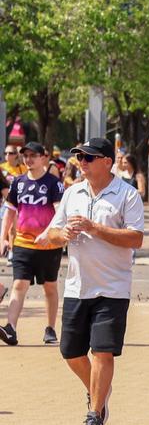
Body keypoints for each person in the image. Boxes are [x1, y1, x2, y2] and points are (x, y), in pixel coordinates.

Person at [37, 137, 144, 425]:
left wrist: (95, 228)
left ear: (107, 162)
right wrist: (64, 234)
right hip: (77, 287)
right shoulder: (73, 193)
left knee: (102, 352)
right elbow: (53, 235)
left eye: (88, 157)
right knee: (70, 351)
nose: (81, 163)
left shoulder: (127, 194)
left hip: (112, 288)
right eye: (79, 158)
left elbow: (136, 238)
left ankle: (94, 413)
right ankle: (98, 392)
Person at [0, 142, 64, 346]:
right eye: (25, 156)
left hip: (49, 245)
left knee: (50, 287)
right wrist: (3, 238)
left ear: (44, 157)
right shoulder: (18, 183)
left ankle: (51, 328)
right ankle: (10, 328)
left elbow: (60, 212)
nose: (28, 160)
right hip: (23, 243)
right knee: (19, 284)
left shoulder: (54, 184)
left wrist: (48, 233)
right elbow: (9, 211)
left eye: (33, 156)